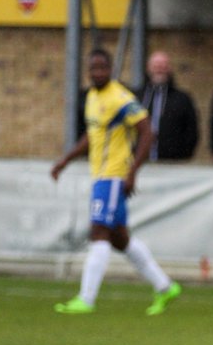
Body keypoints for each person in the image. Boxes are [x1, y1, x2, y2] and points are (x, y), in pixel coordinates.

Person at [51, 48, 182, 316]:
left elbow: (148, 131)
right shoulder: (91, 97)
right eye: (93, 68)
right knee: (120, 239)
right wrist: (66, 160)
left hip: (113, 176)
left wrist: (132, 171)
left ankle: (86, 299)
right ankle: (165, 287)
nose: (97, 72)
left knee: (98, 232)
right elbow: (92, 135)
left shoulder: (120, 97)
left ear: (110, 70)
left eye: (102, 67)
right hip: (99, 175)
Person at [135, 50, 199, 161]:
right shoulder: (136, 97)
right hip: (139, 163)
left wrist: (182, 156)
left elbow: (191, 132)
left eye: (163, 65)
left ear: (169, 68)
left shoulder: (182, 99)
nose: (159, 69)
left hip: (171, 163)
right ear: (148, 68)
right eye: (156, 65)